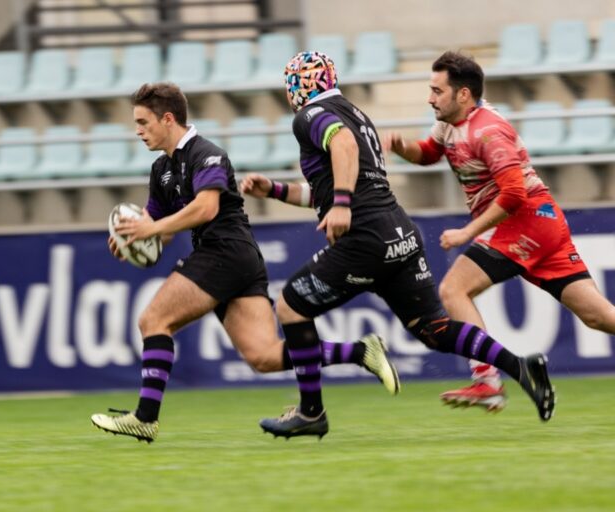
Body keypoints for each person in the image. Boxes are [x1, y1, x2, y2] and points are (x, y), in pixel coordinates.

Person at [241, 51, 555, 440]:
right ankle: (520, 366)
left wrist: (340, 205)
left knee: (290, 305)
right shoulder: (354, 113)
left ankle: (310, 413)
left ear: (298, 84)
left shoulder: (309, 116)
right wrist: (273, 190)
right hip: (400, 233)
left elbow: (343, 151)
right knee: (435, 329)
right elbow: (339, 183)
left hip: (366, 239)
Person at [90, 82, 400, 443]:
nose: (138, 131)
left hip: (225, 252)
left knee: (153, 320)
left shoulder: (206, 154)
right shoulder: (162, 170)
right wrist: (133, 237)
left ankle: (145, 418)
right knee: (264, 356)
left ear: (168, 118)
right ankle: (361, 351)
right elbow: (161, 229)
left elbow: (207, 208)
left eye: (143, 122)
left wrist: (152, 228)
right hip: (237, 259)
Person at [384, 50, 615, 412]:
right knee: (599, 317)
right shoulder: (449, 123)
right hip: (541, 224)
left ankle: (487, 382)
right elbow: (429, 153)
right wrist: (403, 147)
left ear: (463, 94)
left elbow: (513, 193)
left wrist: (467, 232)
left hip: (525, 221)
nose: (430, 98)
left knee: (453, 288)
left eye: (436, 91)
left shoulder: (488, 131)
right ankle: (489, 381)